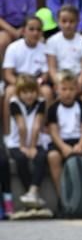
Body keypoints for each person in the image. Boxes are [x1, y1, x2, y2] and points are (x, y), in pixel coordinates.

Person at [1, 75, 49, 216]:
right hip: (17, 142)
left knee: (41, 157)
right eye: (25, 92)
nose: (29, 95)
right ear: (19, 93)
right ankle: (32, 197)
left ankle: (33, 191)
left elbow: (36, 125)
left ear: (36, 91)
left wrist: (33, 146)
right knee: (21, 159)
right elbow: (21, 126)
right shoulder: (14, 102)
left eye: (32, 91)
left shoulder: (41, 102)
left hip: (36, 141)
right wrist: (23, 147)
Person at [46, 70, 82, 195]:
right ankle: (62, 197)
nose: (68, 93)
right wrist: (63, 147)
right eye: (64, 89)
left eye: (71, 89)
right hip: (62, 142)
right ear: (56, 89)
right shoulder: (53, 108)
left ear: (77, 89)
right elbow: (53, 132)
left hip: (79, 140)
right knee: (53, 156)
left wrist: (80, 145)